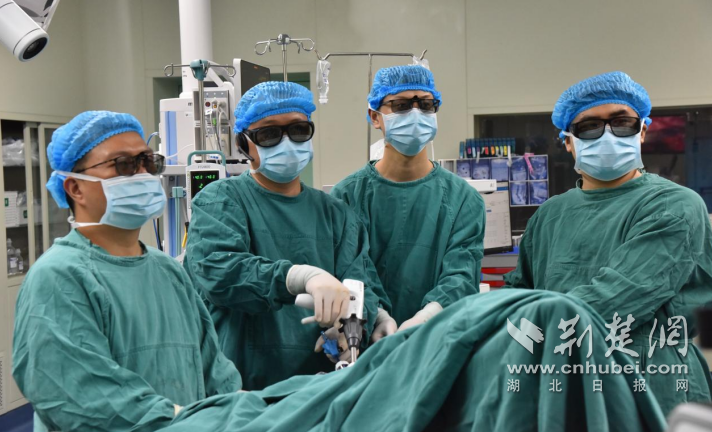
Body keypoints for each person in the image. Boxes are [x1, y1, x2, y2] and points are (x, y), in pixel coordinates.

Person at [12, 111, 242, 432]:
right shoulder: (58, 277)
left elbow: (213, 367)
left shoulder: (167, 270)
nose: (143, 174)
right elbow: (79, 397)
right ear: (75, 188)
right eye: (124, 164)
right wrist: (183, 420)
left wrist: (238, 411)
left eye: (148, 161)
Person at [505, 71, 712, 417]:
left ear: (642, 131)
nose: (607, 135)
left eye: (622, 123)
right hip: (562, 375)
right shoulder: (550, 215)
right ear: (568, 141)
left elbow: (617, 297)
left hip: (650, 382)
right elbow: (519, 293)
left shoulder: (674, 205)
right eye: (589, 127)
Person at [183, 81, 395, 390]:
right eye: (269, 134)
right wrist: (298, 277)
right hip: (240, 389)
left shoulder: (335, 214)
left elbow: (361, 284)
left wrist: (353, 322)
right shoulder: (221, 201)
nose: (286, 142)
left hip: (320, 386)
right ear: (244, 144)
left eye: (298, 130)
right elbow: (220, 272)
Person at [330, 65, 486, 329]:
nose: (416, 114)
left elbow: (461, 274)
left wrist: (429, 315)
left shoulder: (464, 199)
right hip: (368, 338)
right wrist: (377, 315)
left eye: (426, 105)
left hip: (438, 336)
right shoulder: (347, 196)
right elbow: (352, 270)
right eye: (401, 105)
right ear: (375, 117)